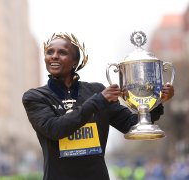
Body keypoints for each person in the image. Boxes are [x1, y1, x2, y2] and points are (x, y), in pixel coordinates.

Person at [22, 32, 174, 180]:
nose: (54, 56)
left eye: (62, 52)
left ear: (75, 62)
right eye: (49, 52)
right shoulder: (35, 97)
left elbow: (131, 124)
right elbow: (55, 129)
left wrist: (156, 102)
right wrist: (98, 101)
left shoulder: (95, 91)